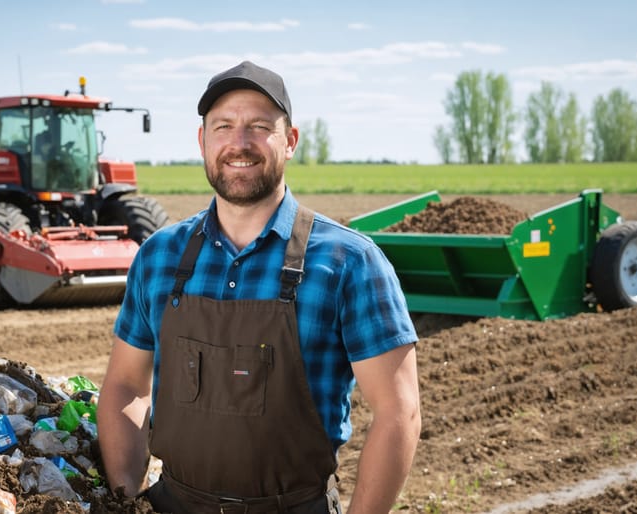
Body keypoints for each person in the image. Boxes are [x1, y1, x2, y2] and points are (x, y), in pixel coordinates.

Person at [97, 60, 421, 514]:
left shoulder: (349, 262)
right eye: (223, 126)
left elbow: (398, 413)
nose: (239, 143)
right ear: (202, 141)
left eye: (259, 127)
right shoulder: (159, 256)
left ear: (289, 141)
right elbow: (126, 385)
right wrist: (126, 498)